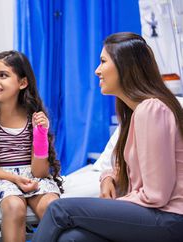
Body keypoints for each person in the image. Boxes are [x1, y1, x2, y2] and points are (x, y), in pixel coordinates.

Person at [32, 32, 183, 242]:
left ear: (125, 66)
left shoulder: (151, 109)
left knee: (59, 209)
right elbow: (130, 168)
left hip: (170, 218)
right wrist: (108, 176)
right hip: (156, 216)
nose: (97, 70)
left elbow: (156, 194)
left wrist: (111, 207)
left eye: (103, 61)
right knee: (72, 238)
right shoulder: (135, 113)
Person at [0, 50, 63, 242]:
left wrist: (40, 135)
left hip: (30, 175)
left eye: (3, 75)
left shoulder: (34, 117)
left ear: (22, 83)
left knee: (51, 206)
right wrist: (16, 180)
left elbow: (40, 172)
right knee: (14, 205)